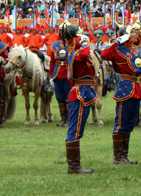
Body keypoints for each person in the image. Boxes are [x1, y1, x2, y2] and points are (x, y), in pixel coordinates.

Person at [101, 23, 141, 165]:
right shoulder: (118, 50)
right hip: (125, 88)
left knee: (131, 123)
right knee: (121, 122)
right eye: (132, 32)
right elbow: (104, 55)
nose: (134, 35)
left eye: (136, 32)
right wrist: (116, 42)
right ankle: (118, 157)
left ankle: (125, 155)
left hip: (137, 88)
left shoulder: (139, 51)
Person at [62, 22, 97, 174]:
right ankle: (74, 166)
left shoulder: (76, 50)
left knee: (78, 129)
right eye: (78, 36)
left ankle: (75, 165)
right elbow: (84, 55)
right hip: (79, 93)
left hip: (84, 90)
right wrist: (86, 42)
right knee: (74, 130)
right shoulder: (75, 52)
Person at [48, 34, 71, 127]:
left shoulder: (72, 45)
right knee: (60, 98)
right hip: (57, 75)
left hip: (68, 74)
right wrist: (50, 75)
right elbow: (52, 61)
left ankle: (69, 120)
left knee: (69, 98)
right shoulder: (55, 45)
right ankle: (63, 119)